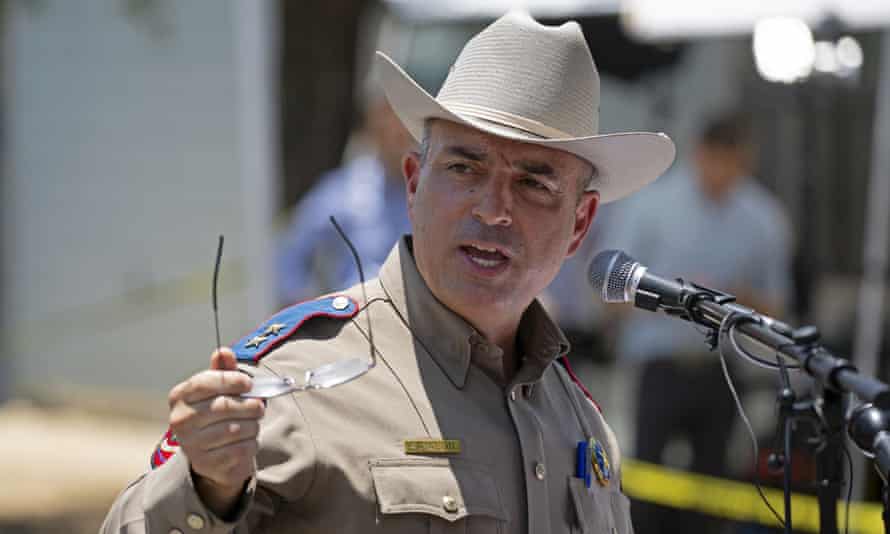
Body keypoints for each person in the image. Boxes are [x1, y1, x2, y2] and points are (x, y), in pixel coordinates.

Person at [101, 11, 675, 533]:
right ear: (413, 183)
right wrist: (206, 490)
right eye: (463, 167)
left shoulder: (581, 423)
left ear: (580, 224)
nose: (493, 208)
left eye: (534, 183)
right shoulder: (293, 384)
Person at [602, 111, 792, 534]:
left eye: (736, 164)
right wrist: (673, 297)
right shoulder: (652, 206)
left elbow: (775, 308)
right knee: (646, 480)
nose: (724, 174)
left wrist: (731, 297)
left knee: (711, 488)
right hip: (660, 363)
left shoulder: (763, 218)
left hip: (721, 368)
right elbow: (610, 289)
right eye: (717, 161)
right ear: (699, 154)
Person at [275, 96, 415, 305]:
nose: (398, 132)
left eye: (404, 124)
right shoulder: (344, 189)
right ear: (374, 126)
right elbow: (291, 253)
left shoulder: (432, 192)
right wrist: (303, 310)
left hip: (417, 323)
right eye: (389, 121)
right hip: (356, 321)